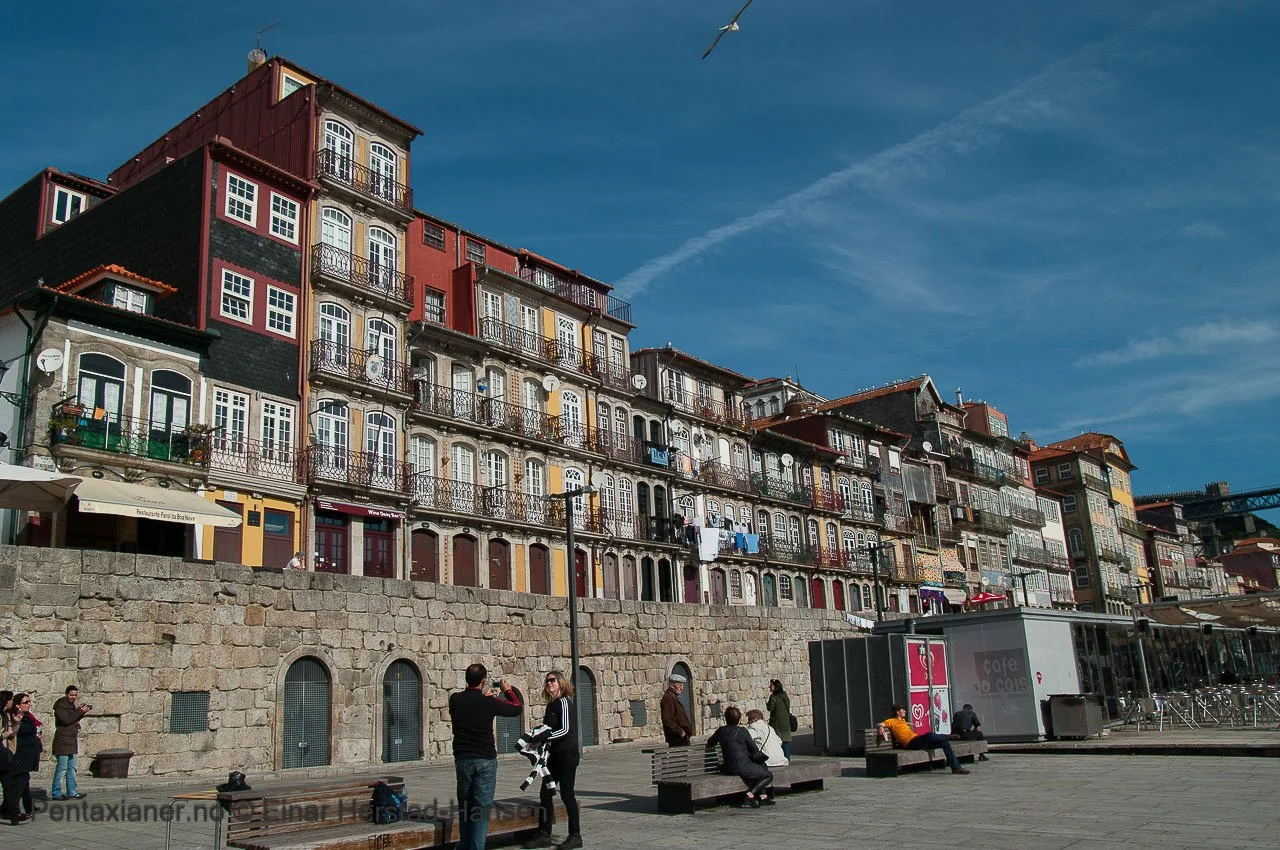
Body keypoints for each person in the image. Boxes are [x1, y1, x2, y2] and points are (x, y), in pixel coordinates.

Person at [449, 663, 523, 850]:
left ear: (466, 679)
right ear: (483, 681)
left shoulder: (455, 700)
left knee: (465, 808)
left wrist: (483, 696)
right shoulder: (489, 702)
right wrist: (508, 689)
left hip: (463, 759)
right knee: (481, 810)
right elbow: (516, 707)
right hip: (485, 760)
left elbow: (469, 703)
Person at [522, 671, 582, 850]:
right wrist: (534, 738)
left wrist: (543, 739)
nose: (549, 684)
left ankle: (575, 834)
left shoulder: (564, 703)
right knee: (545, 793)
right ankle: (544, 833)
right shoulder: (551, 705)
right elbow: (547, 728)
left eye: (552, 680)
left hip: (567, 755)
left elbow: (564, 730)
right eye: (547, 681)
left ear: (561, 683)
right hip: (554, 756)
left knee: (567, 794)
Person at [706, 706, 774, 808]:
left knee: (761, 767)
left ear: (725, 718)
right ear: (738, 720)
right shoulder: (742, 731)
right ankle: (750, 795)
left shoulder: (721, 730)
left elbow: (710, 742)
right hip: (742, 766)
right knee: (768, 775)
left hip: (728, 766)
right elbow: (754, 750)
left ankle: (763, 797)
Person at [877, 704, 970, 775]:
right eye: (902, 710)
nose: (904, 711)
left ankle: (956, 768)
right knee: (929, 735)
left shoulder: (902, 720)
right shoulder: (891, 721)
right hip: (911, 743)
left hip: (916, 740)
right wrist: (881, 728)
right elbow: (880, 724)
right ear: (897, 712)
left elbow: (901, 726)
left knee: (944, 743)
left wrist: (907, 724)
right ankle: (949, 736)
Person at [4, 693, 42, 824]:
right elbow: (12, 735)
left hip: (28, 753)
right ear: (18, 705)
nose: (29, 704)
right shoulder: (14, 717)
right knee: (19, 783)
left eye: (29, 701)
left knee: (24, 782)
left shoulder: (28, 717)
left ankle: (25, 807)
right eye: (26, 702)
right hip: (20, 754)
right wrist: (17, 722)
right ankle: (10, 810)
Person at [51, 685, 91, 800]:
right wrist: (79, 711)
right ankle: (56, 792)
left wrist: (82, 712)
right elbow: (66, 720)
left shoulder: (71, 706)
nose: (73, 697)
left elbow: (73, 719)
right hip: (63, 740)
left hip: (71, 741)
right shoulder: (61, 706)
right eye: (71, 695)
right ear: (66, 694)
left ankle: (72, 791)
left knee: (72, 768)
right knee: (62, 768)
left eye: (75, 695)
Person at [660, 674, 693, 746]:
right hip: (677, 738)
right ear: (671, 685)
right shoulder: (668, 698)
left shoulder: (672, 697)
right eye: (679, 685)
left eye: (682, 685)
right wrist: (680, 731)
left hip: (681, 738)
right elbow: (667, 719)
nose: (682, 688)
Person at [766, 679, 794, 759]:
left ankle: (780, 758)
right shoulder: (784, 695)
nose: (769, 687)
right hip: (785, 721)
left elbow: (770, 708)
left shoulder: (773, 696)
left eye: (771, 685)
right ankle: (787, 757)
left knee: (777, 740)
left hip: (776, 723)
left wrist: (767, 703)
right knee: (785, 740)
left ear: (775, 687)